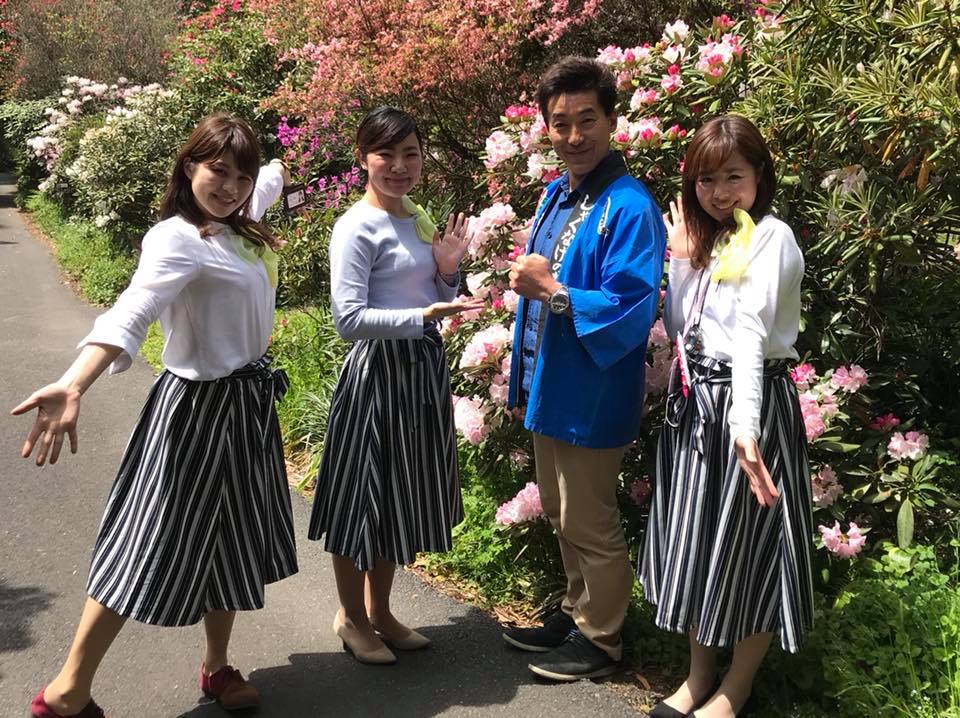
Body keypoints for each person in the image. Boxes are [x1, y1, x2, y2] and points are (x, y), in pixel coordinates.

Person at [14, 113, 297, 718]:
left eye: (241, 177)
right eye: (218, 171)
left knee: (234, 540)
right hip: (195, 411)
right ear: (189, 166)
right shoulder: (176, 239)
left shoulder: (240, 218)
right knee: (145, 543)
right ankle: (67, 689)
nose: (231, 187)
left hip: (247, 409)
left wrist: (276, 167)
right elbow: (133, 309)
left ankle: (216, 667)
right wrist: (74, 382)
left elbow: (268, 182)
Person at [639, 115, 814, 718]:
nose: (719, 193)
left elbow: (749, 333)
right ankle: (697, 677)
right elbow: (682, 328)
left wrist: (744, 428)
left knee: (751, 549)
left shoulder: (771, 238)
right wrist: (682, 262)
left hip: (749, 411)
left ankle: (735, 689)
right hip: (699, 411)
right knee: (698, 543)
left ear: (759, 176)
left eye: (733, 177)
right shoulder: (712, 241)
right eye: (706, 180)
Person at [501, 56, 666, 681]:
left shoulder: (629, 206)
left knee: (589, 517)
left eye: (587, 120)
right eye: (560, 123)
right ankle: (576, 612)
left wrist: (552, 291)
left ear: (612, 120)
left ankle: (602, 638)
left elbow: (632, 305)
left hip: (594, 388)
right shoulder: (559, 193)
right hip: (552, 380)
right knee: (559, 508)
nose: (574, 136)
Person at [307, 106, 483, 665]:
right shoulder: (355, 227)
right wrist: (422, 315)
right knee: (358, 497)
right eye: (387, 154)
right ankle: (351, 617)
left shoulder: (417, 216)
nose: (400, 166)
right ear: (363, 158)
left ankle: (379, 611)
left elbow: (438, 292)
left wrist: (448, 270)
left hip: (419, 372)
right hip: (377, 374)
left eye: (411, 154)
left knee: (396, 496)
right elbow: (348, 319)